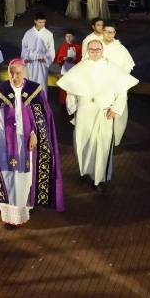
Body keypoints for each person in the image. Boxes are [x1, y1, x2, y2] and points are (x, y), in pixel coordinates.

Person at [0, 60, 65, 227]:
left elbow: (42, 117)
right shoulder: (0, 90)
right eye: (12, 73)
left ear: (25, 73)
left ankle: (23, 208)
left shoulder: (35, 90)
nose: (15, 77)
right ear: (8, 72)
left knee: (24, 177)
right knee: (7, 174)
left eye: (18, 73)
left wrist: (35, 134)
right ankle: (7, 210)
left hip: (26, 142)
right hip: (5, 141)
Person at [57, 39, 138, 190]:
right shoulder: (80, 68)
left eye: (98, 50)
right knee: (83, 142)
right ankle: (85, 170)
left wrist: (116, 108)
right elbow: (71, 90)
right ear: (88, 50)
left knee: (102, 144)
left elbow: (122, 91)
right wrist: (73, 108)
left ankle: (99, 178)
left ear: (102, 51)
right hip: (85, 112)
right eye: (92, 50)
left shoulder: (111, 68)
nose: (95, 52)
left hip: (104, 112)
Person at [20, 13, 55, 96]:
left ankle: (41, 105)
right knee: (29, 83)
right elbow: (24, 47)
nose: (42, 24)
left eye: (44, 22)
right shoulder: (28, 33)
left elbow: (51, 50)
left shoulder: (48, 34)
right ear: (35, 21)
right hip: (30, 62)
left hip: (41, 63)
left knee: (41, 83)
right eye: (40, 22)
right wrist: (25, 58)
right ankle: (29, 105)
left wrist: (46, 59)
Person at [54, 29, 81, 105]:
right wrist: (63, 58)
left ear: (74, 37)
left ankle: (74, 102)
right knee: (64, 85)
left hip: (75, 70)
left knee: (74, 86)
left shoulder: (78, 47)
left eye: (70, 36)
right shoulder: (62, 47)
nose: (68, 38)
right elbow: (58, 59)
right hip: (65, 70)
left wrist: (74, 60)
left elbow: (81, 59)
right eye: (67, 36)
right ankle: (63, 102)